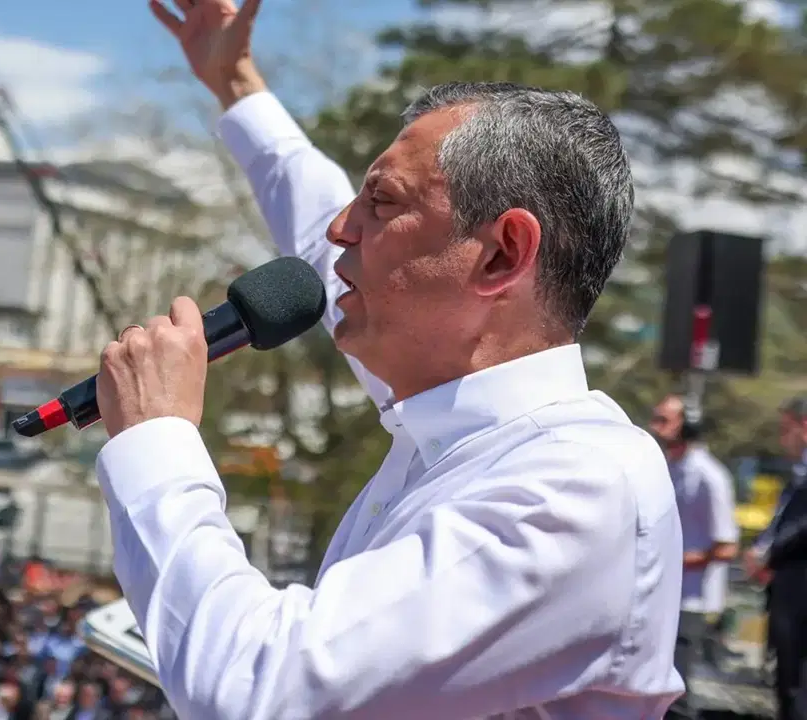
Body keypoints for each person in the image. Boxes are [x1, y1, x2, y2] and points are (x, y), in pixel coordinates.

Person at [89, 1, 686, 717]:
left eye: (380, 202)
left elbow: (258, 690)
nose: (342, 229)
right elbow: (314, 216)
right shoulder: (459, 413)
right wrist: (236, 84)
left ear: (502, 254)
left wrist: (157, 438)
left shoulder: (572, 489)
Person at [648, 394, 739, 718]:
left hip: (690, 600)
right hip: (660, 593)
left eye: (664, 420)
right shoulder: (667, 468)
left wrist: (675, 559)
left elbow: (726, 546)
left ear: (688, 426)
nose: (654, 427)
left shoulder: (710, 476)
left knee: (677, 695)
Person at [746, 396, 807, 719]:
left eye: (787, 430)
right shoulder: (797, 476)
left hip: (800, 593)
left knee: (797, 688)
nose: (783, 440)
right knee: (787, 684)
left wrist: (768, 556)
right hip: (787, 591)